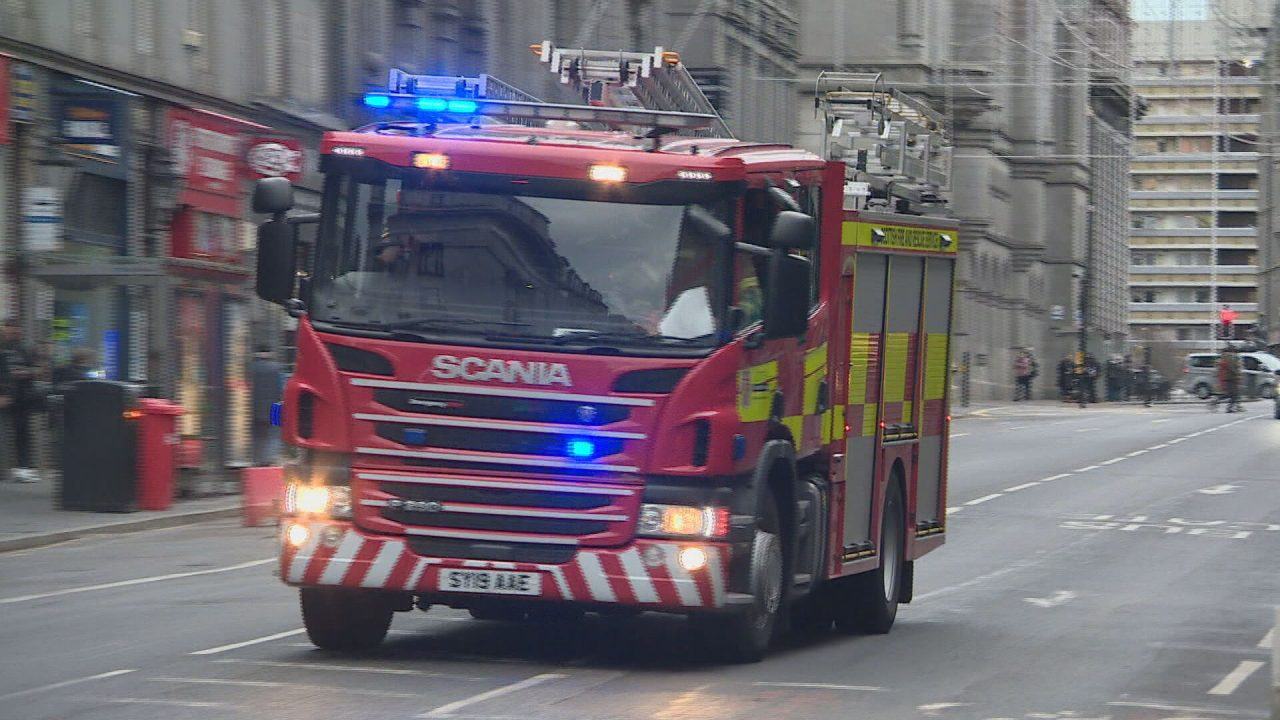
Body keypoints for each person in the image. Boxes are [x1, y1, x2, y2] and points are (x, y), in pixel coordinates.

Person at [0, 321, 39, 482]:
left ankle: (23, 467)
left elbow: (38, 370)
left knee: (22, 433)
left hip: (21, 397)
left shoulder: (24, 349)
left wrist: (26, 373)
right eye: (9, 330)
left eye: (15, 330)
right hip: (9, 395)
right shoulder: (4, 350)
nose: (12, 333)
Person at [251, 345, 285, 466]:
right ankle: (269, 459)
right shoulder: (276, 368)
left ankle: (257, 459)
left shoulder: (251, 368)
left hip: (254, 407)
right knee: (274, 432)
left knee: (257, 434)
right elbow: (281, 389)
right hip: (275, 407)